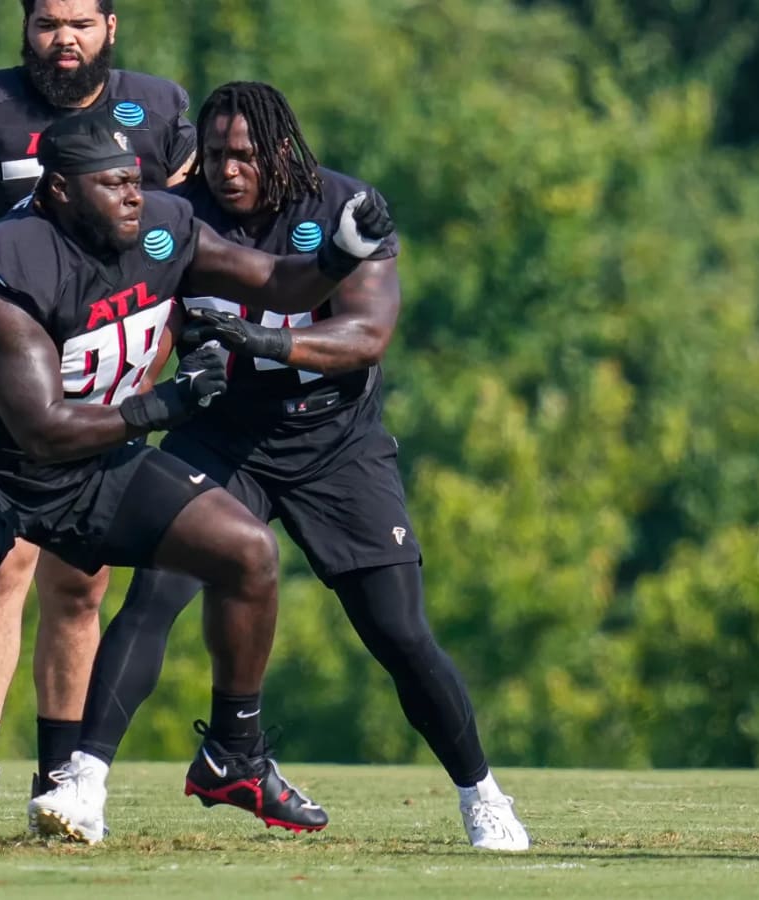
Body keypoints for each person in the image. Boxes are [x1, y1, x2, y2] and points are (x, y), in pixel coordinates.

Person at [35, 82, 531, 851]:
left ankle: (482, 794)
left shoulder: (342, 207)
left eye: (246, 156)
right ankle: (84, 782)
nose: (229, 171)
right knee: (155, 594)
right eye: (219, 154)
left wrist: (264, 343)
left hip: (335, 442)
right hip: (223, 436)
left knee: (399, 630)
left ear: (283, 152)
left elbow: (366, 335)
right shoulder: (176, 210)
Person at [0, 111, 392, 844]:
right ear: (61, 191)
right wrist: (166, 403)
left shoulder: (163, 223)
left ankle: (236, 753)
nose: (136, 196)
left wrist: (343, 255)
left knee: (247, 551)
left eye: (136, 179)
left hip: (89, 468)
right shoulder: (8, 260)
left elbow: (280, 284)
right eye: (115, 184)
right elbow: (42, 427)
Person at [0, 0, 197, 807]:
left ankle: (64, 774)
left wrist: (140, 377)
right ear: (24, 28)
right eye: (45, 24)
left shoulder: (159, 108)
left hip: (105, 367)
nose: (62, 41)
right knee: (0, 570)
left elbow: (169, 255)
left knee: (83, 581)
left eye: (79, 24)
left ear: (111, 26)